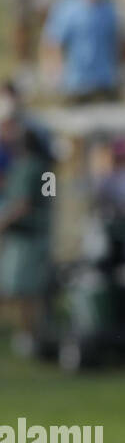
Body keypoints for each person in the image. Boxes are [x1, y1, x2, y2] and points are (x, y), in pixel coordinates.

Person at [0, 91, 54, 355]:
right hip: (34, 237)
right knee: (26, 291)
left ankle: (32, 338)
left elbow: (23, 204)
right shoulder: (43, 168)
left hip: (29, 239)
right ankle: (31, 336)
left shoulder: (31, 166)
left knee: (26, 291)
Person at [41, 0, 122, 102]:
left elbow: (118, 42)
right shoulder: (66, 8)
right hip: (75, 84)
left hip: (105, 82)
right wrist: (54, 76)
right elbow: (53, 43)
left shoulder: (109, 8)